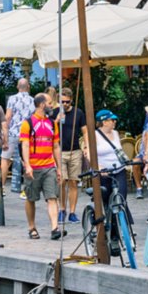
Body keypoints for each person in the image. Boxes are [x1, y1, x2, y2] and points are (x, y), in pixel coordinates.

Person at [17, 94, 60, 238]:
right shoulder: (28, 123)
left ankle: (55, 228)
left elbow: (55, 146)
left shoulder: (52, 123)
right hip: (33, 167)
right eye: (49, 103)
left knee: (52, 197)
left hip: (49, 166)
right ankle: (32, 227)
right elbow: (25, 144)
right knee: (31, 198)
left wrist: (59, 168)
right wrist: (27, 165)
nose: (52, 105)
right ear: (42, 105)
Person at [55, 92, 85, 223]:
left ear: (71, 100)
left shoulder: (78, 113)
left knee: (73, 182)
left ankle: (72, 212)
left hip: (75, 151)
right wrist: (56, 120)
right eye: (62, 102)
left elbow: (85, 130)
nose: (65, 104)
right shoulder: (55, 112)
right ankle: (62, 209)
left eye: (67, 101)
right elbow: (49, 129)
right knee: (61, 181)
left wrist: (86, 146)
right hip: (60, 151)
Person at [4, 78, 38, 192]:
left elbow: (8, 116)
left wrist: (5, 131)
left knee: (6, 158)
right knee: (26, 160)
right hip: (27, 134)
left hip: (13, 132)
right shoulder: (33, 100)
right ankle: (26, 188)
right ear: (28, 87)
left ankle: (1, 187)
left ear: (18, 87)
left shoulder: (12, 99)